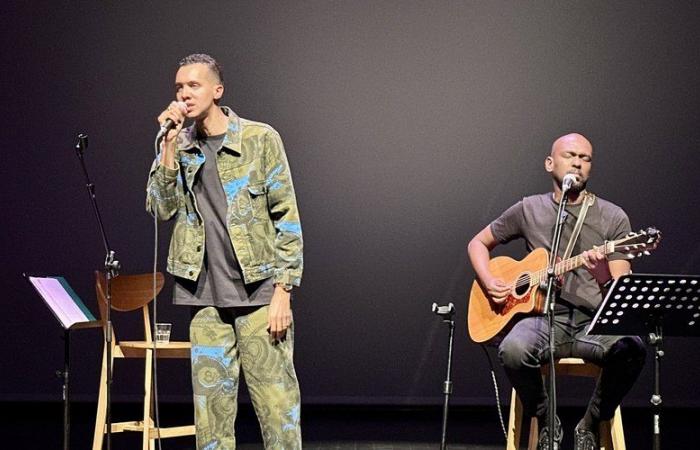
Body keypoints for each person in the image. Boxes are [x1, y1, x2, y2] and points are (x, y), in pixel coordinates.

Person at [146, 53, 303, 449]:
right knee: (211, 419)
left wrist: (283, 291)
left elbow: (287, 216)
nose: (184, 94)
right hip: (204, 299)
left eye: (193, 85)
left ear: (217, 90)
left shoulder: (259, 138)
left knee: (277, 410)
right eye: (179, 87)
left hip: (260, 296)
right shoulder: (178, 145)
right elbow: (159, 208)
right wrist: (167, 146)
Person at [467, 133, 647, 450]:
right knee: (513, 349)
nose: (577, 162)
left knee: (632, 348)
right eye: (570, 155)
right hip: (543, 320)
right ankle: (548, 420)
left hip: (593, 323)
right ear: (550, 163)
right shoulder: (529, 209)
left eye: (586, 158)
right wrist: (489, 281)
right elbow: (478, 244)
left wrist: (602, 273)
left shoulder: (613, 217)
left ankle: (590, 424)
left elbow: (622, 291)